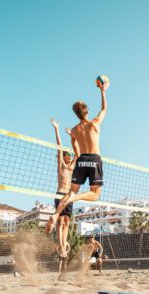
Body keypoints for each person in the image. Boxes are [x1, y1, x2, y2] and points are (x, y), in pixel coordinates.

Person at [47, 78, 109, 240]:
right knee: (94, 195)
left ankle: (55, 214)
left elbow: (76, 150)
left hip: (81, 160)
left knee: (70, 191)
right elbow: (104, 109)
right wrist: (103, 91)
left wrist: (79, 156)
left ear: (76, 114)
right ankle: (76, 197)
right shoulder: (94, 124)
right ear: (87, 112)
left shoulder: (74, 131)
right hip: (95, 159)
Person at [50, 118, 76, 259]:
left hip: (70, 195)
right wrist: (56, 129)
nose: (69, 156)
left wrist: (72, 136)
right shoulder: (61, 166)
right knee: (60, 221)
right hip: (60, 193)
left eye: (70, 155)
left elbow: (77, 152)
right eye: (67, 155)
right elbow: (59, 146)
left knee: (66, 222)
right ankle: (61, 247)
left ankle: (63, 244)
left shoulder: (72, 166)